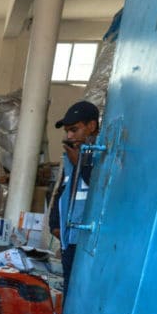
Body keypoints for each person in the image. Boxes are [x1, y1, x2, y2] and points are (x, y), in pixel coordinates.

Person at [49, 100, 100, 291]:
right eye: (67, 131)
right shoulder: (72, 155)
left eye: (74, 130)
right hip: (69, 239)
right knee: (69, 291)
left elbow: (100, 190)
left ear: (92, 126)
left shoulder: (103, 156)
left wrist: (81, 164)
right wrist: (54, 223)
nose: (70, 136)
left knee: (81, 292)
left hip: (86, 243)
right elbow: (63, 189)